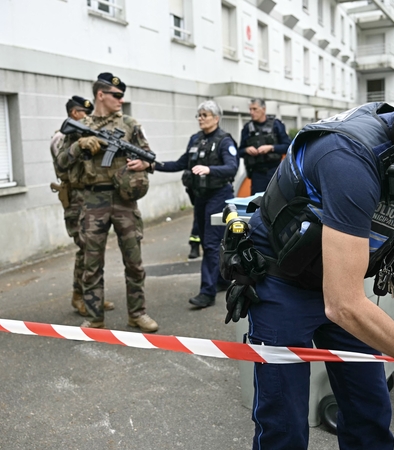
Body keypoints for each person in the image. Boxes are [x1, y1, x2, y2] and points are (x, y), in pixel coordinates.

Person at [225, 48, 394, 449]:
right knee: (284, 424)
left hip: (346, 286)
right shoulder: (348, 158)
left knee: (370, 412)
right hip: (282, 283)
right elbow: (342, 305)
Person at [56, 72, 159, 332]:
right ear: (100, 95)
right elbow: (61, 162)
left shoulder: (130, 124)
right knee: (91, 263)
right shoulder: (79, 124)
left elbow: (151, 158)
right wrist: (79, 146)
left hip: (124, 201)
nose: (121, 100)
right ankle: (94, 318)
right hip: (92, 200)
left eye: (122, 95)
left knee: (134, 262)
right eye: (116, 95)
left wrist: (144, 163)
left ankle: (138, 314)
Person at [154, 100, 238, 308]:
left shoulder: (224, 141)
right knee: (206, 240)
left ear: (216, 118)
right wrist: (151, 165)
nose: (200, 118)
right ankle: (221, 279)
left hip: (218, 194)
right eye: (199, 115)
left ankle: (206, 292)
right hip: (200, 196)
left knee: (210, 243)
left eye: (205, 115)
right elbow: (181, 163)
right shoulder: (195, 139)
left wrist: (210, 170)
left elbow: (232, 167)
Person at [49, 96, 114, 316]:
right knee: (85, 248)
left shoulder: (86, 133)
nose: (87, 117)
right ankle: (79, 296)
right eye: (83, 113)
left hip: (90, 196)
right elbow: (63, 162)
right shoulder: (62, 137)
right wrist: (79, 144)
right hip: (74, 198)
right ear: (74, 114)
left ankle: (93, 295)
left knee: (94, 248)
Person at [238, 98, 291, 194]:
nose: (252, 112)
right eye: (250, 109)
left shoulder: (276, 125)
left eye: (255, 109)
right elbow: (239, 151)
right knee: (257, 203)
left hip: (275, 172)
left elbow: (288, 146)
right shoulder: (247, 128)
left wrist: (271, 148)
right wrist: (247, 150)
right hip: (257, 174)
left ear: (264, 109)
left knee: (277, 200)